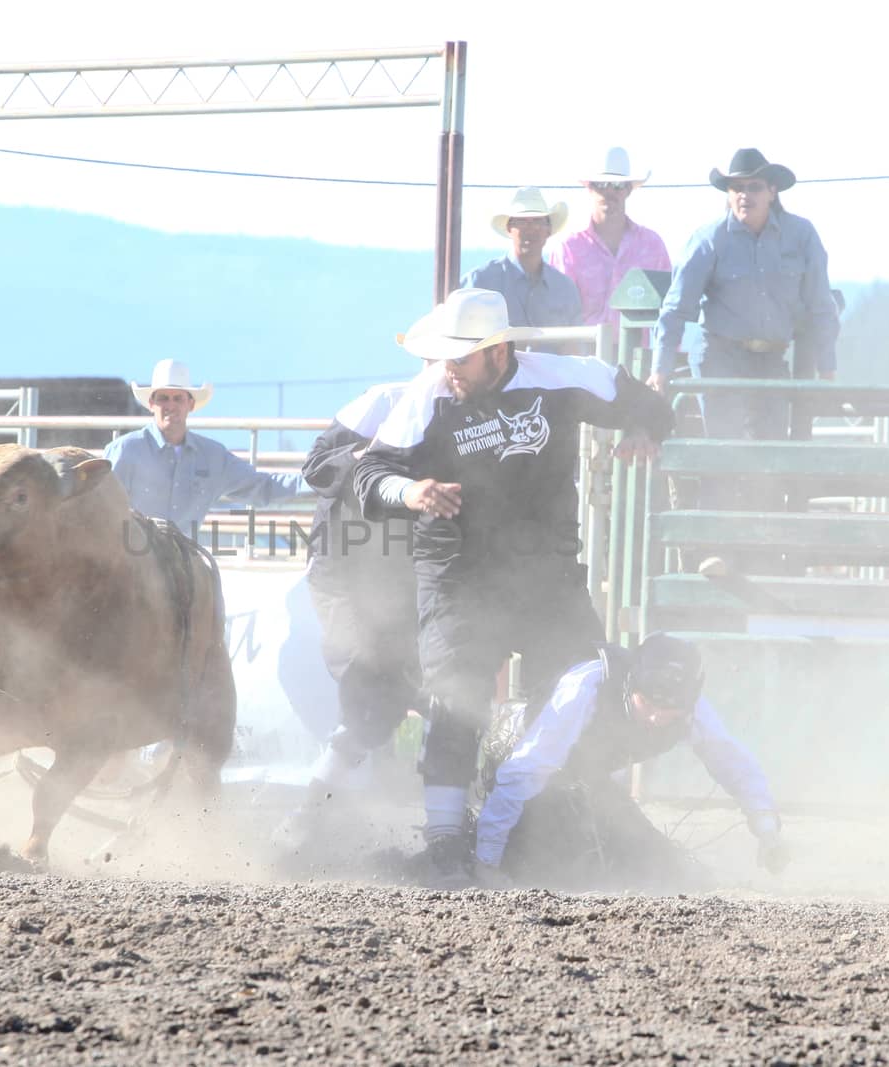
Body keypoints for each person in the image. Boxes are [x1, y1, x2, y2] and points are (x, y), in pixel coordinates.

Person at [354, 287, 674, 887]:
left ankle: (569, 819)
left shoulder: (558, 378)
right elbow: (371, 473)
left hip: (547, 577)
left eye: (462, 358)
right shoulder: (429, 398)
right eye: (446, 357)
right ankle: (446, 842)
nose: (449, 370)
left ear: (498, 353)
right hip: (459, 578)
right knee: (456, 697)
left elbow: (649, 403)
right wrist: (413, 491)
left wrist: (643, 431)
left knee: (584, 688)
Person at [472, 634, 788, 891]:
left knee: (670, 874)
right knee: (555, 868)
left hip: (585, 782)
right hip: (517, 770)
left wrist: (768, 832)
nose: (655, 717)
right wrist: (487, 860)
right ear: (630, 686)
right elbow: (524, 770)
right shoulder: (585, 687)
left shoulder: (692, 709)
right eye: (647, 703)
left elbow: (733, 765)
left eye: (670, 713)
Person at [653, 148, 841, 572]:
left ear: (772, 191)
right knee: (724, 449)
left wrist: (827, 371)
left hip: (772, 359)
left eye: (753, 187)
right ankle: (716, 550)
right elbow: (676, 308)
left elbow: (821, 305)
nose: (744, 195)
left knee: (771, 452)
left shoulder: (801, 236)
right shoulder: (709, 239)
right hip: (721, 355)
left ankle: (764, 552)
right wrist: (660, 371)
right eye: (736, 188)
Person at [272, 382, 421, 853]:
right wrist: (366, 457)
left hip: (399, 579)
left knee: (388, 690)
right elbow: (317, 466)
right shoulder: (386, 401)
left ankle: (333, 811)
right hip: (340, 569)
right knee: (366, 677)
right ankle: (321, 812)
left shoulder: (453, 413)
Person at [103, 358, 311, 539]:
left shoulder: (212, 457)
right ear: (151, 404)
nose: (170, 405)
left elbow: (262, 485)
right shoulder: (125, 450)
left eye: (178, 398)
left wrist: (316, 482)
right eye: (163, 398)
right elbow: (103, 508)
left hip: (181, 564)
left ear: (190, 405)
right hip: (132, 564)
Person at [546, 147, 673, 328]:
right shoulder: (568, 248)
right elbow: (556, 313)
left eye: (617, 185)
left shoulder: (652, 245)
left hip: (638, 355)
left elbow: (671, 309)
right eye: (601, 185)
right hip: (581, 354)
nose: (609, 192)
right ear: (590, 188)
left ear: (628, 190)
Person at [460, 186, 582, 329]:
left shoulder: (565, 288)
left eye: (537, 221)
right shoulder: (480, 282)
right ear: (509, 228)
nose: (530, 228)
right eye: (521, 221)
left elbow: (574, 346)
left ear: (548, 230)